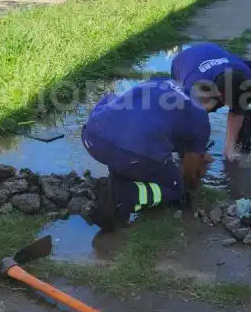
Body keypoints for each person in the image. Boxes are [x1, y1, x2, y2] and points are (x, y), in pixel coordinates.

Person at [81, 78, 213, 232]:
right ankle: (124, 196)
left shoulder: (163, 82)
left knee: (131, 146)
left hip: (92, 134)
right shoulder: (200, 116)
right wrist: (191, 184)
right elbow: (190, 173)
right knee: (176, 189)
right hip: (129, 153)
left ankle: (117, 180)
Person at [171, 42, 251, 162]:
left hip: (214, 54)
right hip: (184, 62)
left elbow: (237, 112)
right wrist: (199, 153)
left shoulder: (246, 74)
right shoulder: (193, 88)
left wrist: (229, 152)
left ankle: (246, 135)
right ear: (219, 96)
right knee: (191, 118)